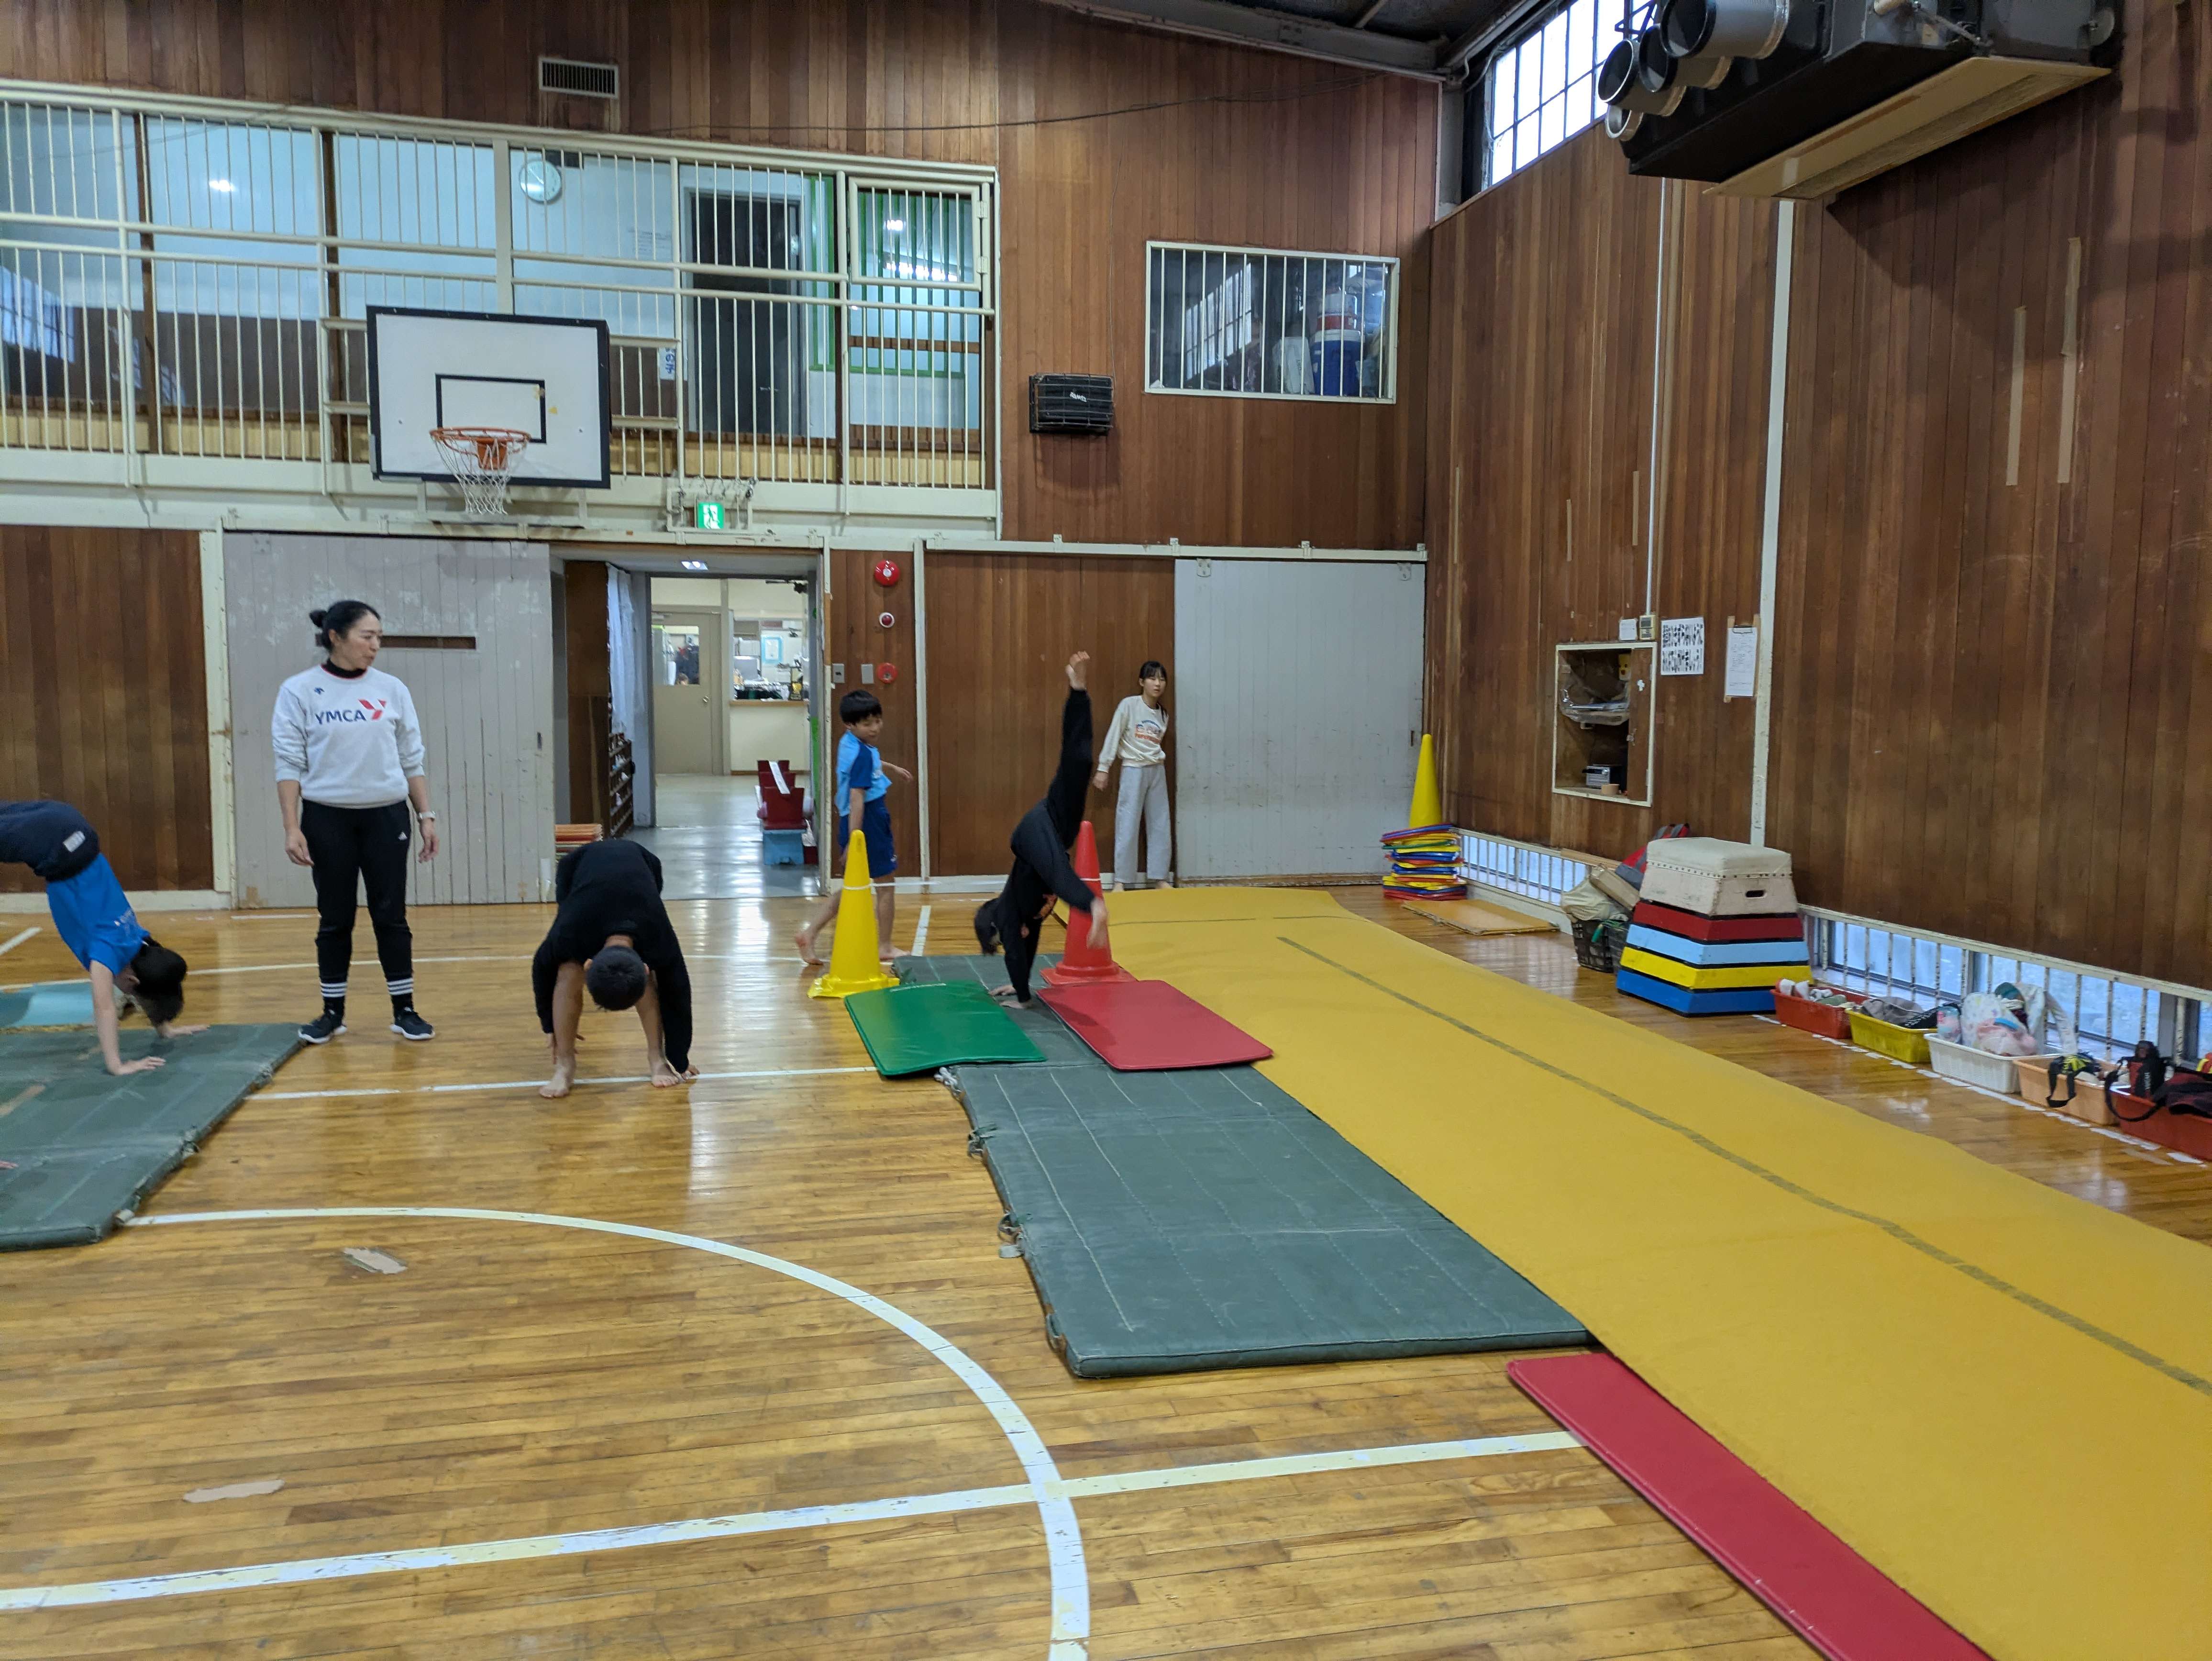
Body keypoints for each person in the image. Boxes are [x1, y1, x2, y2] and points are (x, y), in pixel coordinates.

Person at [272, 599, 440, 1046]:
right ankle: (332, 1013)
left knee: (391, 915)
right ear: (336, 637)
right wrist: (292, 826)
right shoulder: (299, 691)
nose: (375, 645)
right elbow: (288, 763)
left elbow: (412, 758)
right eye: (367, 636)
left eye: (379, 637)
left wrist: (426, 815)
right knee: (335, 917)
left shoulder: (392, 689)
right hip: (327, 819)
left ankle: (405, 1010)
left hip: (386, 816)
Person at [0, 799, 203, 1075]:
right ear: (132, 981)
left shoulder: (138, 938)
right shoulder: (106, 951)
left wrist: (164, 1028)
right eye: (129, 991)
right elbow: (104, 1007)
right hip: (52, 843)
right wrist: (117, 1065)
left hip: (71, 826)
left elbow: (152, 980)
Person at [973, 652, 1110, 1008]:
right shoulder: (1029, 918)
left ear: (999, 928)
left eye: (1003, 938)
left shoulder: (1007, 913)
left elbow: (1016, 952)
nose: (1016, 935)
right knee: (1079, 763)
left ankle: (1093, 905)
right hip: (1057, 828)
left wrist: (1022, 997)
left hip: (1034, 831)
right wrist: (1020, 988)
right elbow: (1027, 947)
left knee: (1056, 869)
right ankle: (1078, 691)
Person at [532, 837, 696, 1099]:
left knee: (641, 981)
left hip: (644, 863)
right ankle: (564, 1066)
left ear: (646, 966)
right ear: (589, 964)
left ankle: (657, 1059)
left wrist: (679, 1058)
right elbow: (541, 971)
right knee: (568, 971)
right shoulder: (570, 932)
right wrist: (550, 1026)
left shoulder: (657, 934)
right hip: (576, 866)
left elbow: (679, 995)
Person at [794, 688, 912, 966]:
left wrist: (892, 767)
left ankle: (809, 934)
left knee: (852, 887)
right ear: (850, 724)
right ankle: (885, 946)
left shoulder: (850, 743)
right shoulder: (861, 753)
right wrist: (854, 840)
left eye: (878, 721)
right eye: (868, 724)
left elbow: (870, 761)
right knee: (886, 886)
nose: (875, 728)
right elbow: (857, 796)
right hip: (868, 820)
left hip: (857, 820)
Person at [1094, 659, 1172, 891]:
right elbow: (1114, 735)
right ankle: (1121, 880)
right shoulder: (1129, 705)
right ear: (1142, 682)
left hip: (1157, 770)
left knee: (1160, 824)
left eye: (1162, 679)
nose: (1157, 684)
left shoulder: (1163, 715)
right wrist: (1104, 767)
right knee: (1127, 823)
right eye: (1152, 678)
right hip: (1133, 769)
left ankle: (1160, 878)